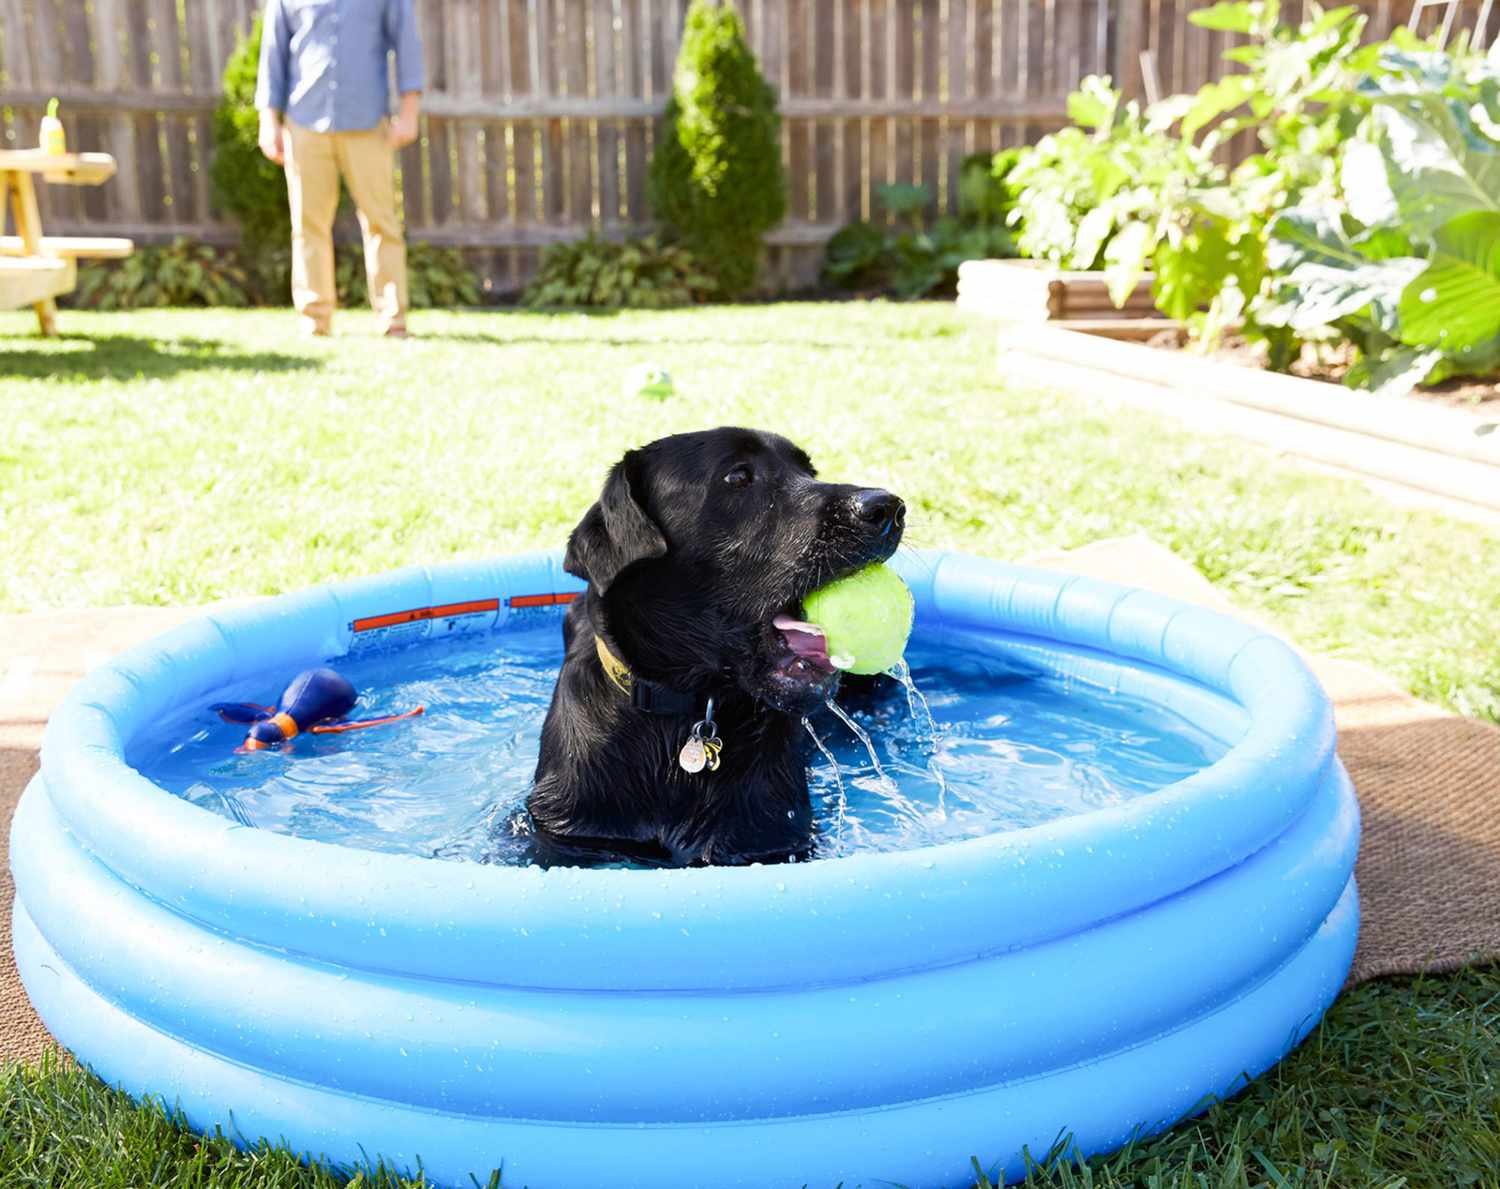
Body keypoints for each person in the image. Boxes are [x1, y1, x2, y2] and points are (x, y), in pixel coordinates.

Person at [254, 0, 424, 338]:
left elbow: (406, 43)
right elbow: (273, 53)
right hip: (304, 121)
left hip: (366, 122)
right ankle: (314, 320)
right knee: (308, 225)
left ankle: (393, 319)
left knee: (382, 222)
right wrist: (267, 119)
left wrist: (409, 112)